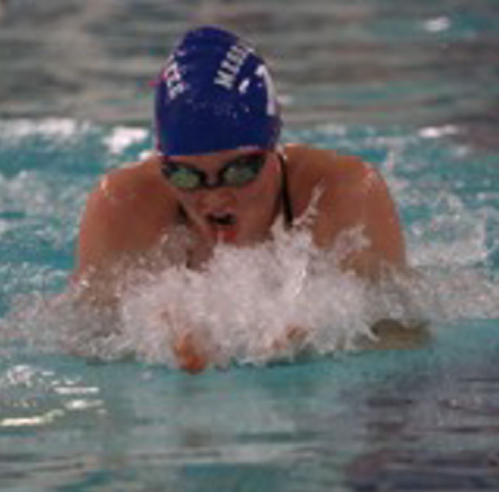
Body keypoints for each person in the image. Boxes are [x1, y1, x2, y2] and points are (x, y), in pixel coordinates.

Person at [73, 26, 420, 372]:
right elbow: (83, 343)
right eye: (185, 175)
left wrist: (323, 341)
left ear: (272, 146)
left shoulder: (344, 193)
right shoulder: (122, 206)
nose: (212, 197)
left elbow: (404, 336)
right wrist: (148, 345)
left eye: (238, 170)